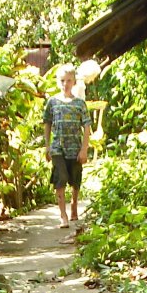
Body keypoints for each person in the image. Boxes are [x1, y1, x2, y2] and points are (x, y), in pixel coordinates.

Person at [42, 63, 90, 229]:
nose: (65, 84)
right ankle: (63, 215)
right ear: (58, 82)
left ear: (74, 82)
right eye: (62, 80)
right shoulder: (52, 102)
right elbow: (47, 123)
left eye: (69, 80)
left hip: (75, 148)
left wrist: (84, 149)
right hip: (58, 148)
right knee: (61, 177)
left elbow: (87, 126)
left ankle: (74, 205)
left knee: (75, 179)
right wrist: (47, 146)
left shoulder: (79, 104)